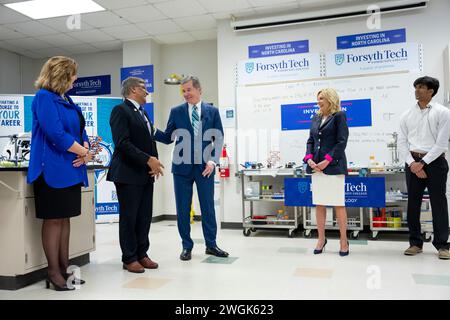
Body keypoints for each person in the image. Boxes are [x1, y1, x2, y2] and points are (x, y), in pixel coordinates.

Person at [27, 56, 93, 291]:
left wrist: (85, 149)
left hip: (71, 168)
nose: (76, 78)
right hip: (51, 168)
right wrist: (82, 150)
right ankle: (53, 272)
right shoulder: (43, 97)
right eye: (73, 74)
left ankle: (64, 269)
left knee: (64, 219)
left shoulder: (66, 98)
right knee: (53, 220)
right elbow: (55, 133)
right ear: (62, 75)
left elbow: (79, 129)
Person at [154, 75, 228, 261]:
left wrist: (212, 161)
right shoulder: (176, 111)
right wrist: (151, 130)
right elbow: (169, 137)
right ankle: (186, 246)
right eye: (183, 91)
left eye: (189, 90)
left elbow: (217, 138)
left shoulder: (212, 111)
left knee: (208, 208)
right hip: (181, 168)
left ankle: (211, 245)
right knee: (182, 208)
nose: (186, 94)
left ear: (199, 90)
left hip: (205, 167)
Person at [107, 77, 164, 273]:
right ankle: (129, 257)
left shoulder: (143, 113)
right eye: (144, 88)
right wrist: (149, 159)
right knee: (129, 217)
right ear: (132, 90)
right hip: (127, 173)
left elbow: (149, 141)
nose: (147, 91)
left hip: (144, 173)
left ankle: (142, 254)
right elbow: (122, 143)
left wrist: (153, 163)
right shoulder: (120, 111)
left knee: (144, 216)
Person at [398, 76, 450, 260]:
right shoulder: (406, 114)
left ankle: (443, 245)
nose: (417, 90)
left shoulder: (443, 112)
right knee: (413, 203)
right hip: (412, 162)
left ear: (431, 91)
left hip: (435, 163)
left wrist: (423, 163)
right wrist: (412, 163)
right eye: (416, 87)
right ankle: (415, 243)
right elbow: (402, 143)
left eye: (421, 87)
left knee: (438, 203)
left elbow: (442, 143)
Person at [303, 88, 350, 256]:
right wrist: (309, 158)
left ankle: (343, 240)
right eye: (317, 98)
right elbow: (311, 140)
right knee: (320, 204)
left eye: (321, 98)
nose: (318, 101)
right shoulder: (315, 117)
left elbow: (341, 142)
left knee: (338, 204)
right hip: (315, 167)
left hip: (334, 167)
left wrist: (327, 160)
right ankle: (321, 239)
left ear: (330, 99)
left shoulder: (339, 116)